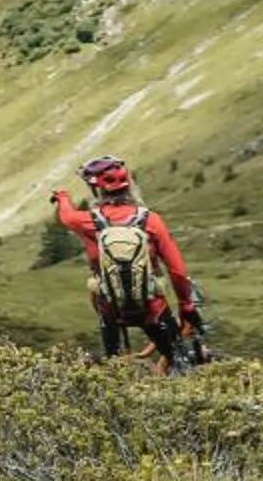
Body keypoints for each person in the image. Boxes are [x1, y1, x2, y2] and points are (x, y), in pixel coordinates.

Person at [51, 156, 204, 370]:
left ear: (98, 191)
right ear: (129, 186)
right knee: (179, 360)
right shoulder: (151, 221)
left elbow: (66, 216)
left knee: (113, 371)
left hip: (111, 310)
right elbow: (177, 270)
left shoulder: (87, 221)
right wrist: (186, 305)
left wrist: (62, 197)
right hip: (153, 308)